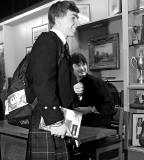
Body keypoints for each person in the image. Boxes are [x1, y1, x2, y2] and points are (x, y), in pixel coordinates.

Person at [26, 1, 80, 160]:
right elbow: (42, 81)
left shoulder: (61, 44)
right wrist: (55, 121)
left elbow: (56, 79)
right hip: (49, 117)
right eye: (73, 17)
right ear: (58, 18)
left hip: (55, 116)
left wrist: (73, 87)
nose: (77, 22)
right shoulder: (48, 40)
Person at [71, 52, 115, 128]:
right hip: (77, 126)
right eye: (78, 65)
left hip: (97, 127)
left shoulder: (97, 83)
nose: (82, 68)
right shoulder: (68, 84)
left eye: (84, 64)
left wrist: (90, 109)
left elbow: (110, 107)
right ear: (70, 67)